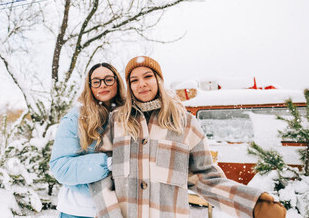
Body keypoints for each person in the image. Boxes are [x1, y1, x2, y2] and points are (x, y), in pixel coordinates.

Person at [89, 56, 286, 218]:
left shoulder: (185, 123)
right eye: (134, 80)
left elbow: (206, 179)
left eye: (147, 76)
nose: (141, 84)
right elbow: (99, 176)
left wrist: (253, 204)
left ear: (158, 80)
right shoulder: (117, 122)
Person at [49, 63, 125, 218]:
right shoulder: (75, 119)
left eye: (108, 79)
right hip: (81, 209)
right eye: (96, 81)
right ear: (90, 86)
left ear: (117, 82)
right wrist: (108, 163)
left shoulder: (131, 116)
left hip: (121, 208)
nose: (102, 85)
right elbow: (60, 167)